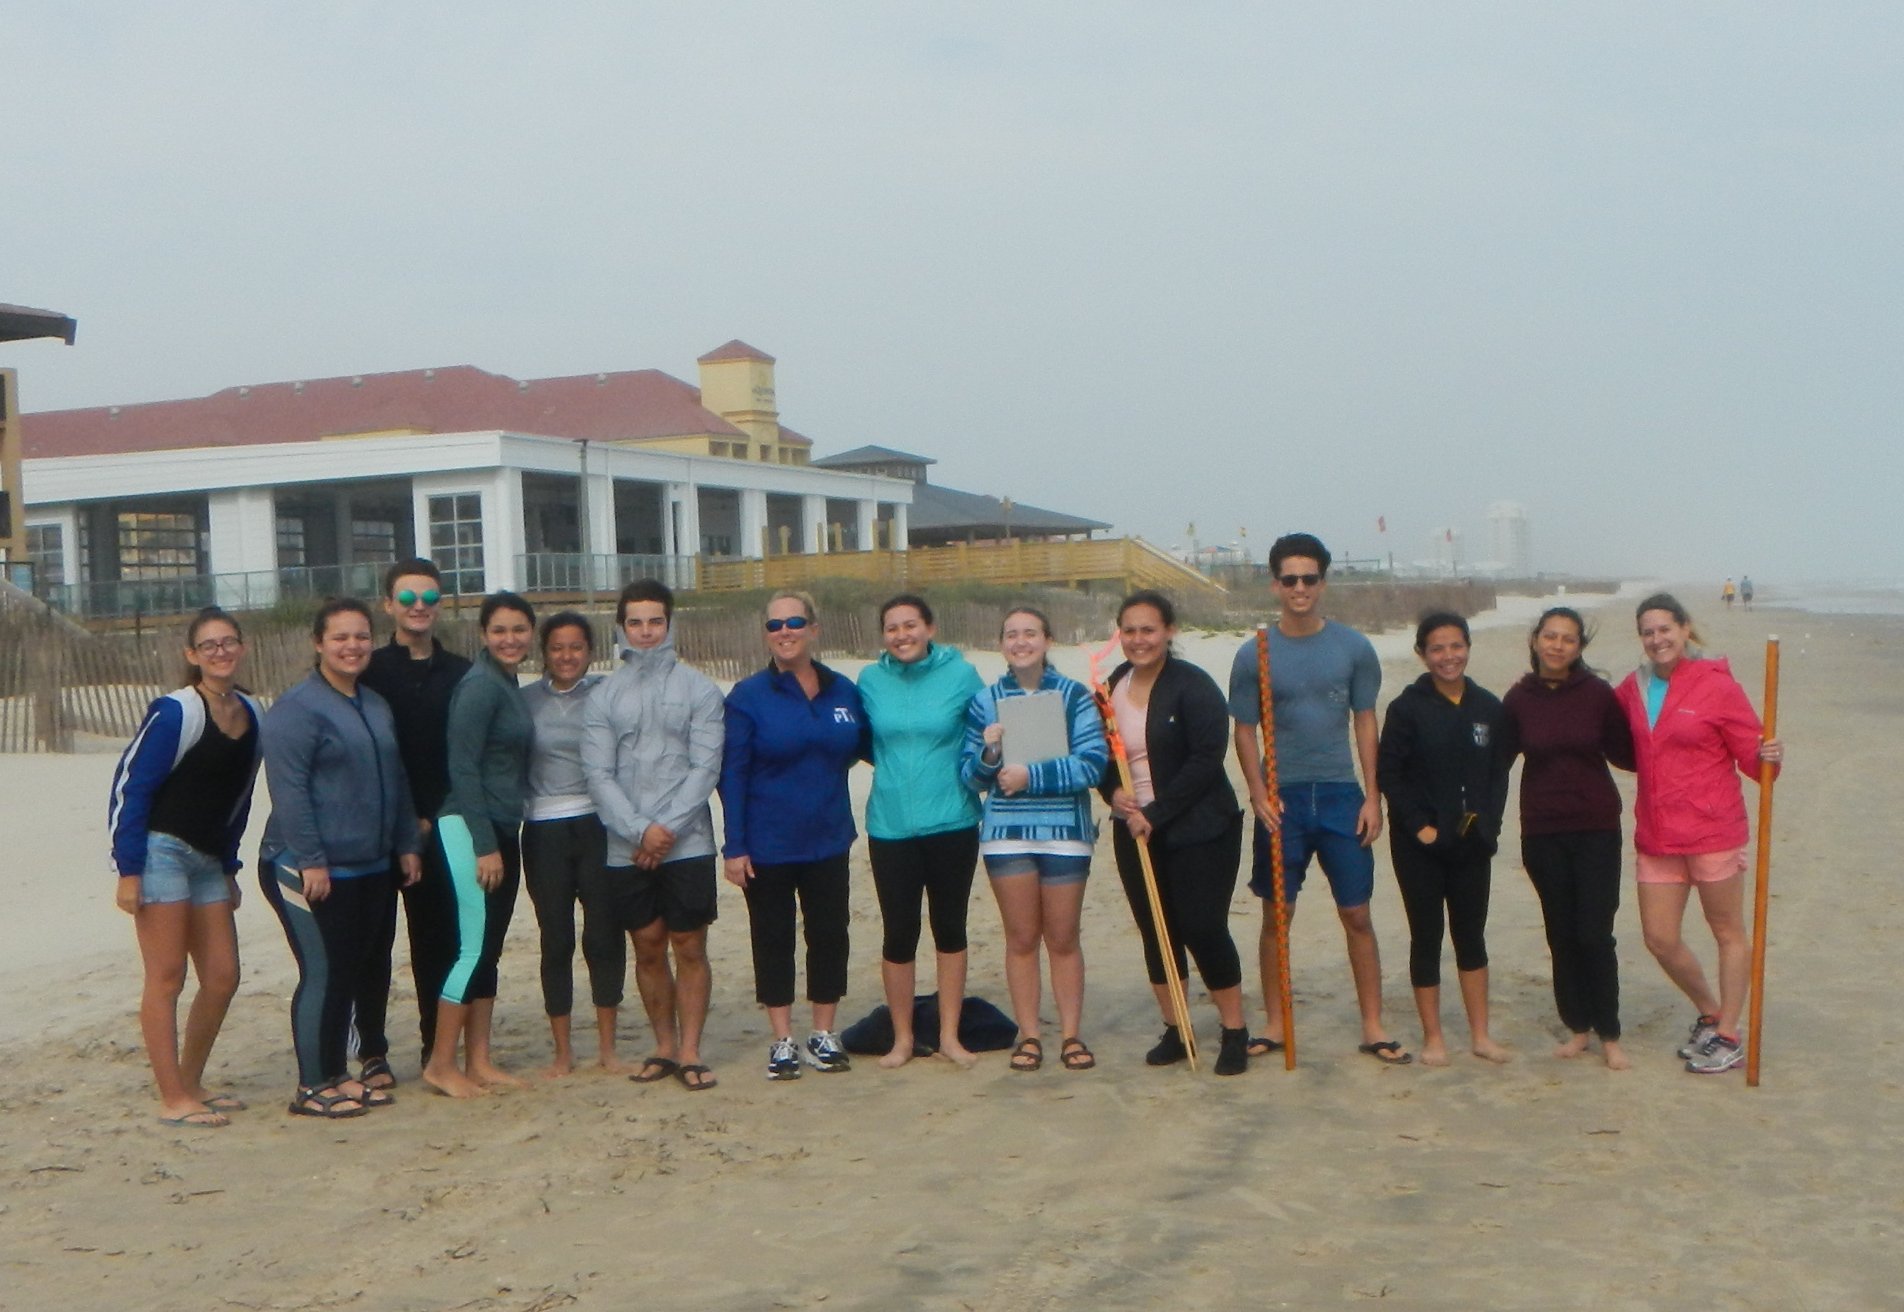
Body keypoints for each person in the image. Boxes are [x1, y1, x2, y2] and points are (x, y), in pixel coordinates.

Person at [1228, 532, 1409, 1064]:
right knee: (1275, 916)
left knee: (1357, 913)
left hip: (1339, 796)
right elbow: (1242, 729)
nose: (1299, 588)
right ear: (1275, 584)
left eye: (1309, 578)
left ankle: (1373, 1025)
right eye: (1290, 579)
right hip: (1282, 799)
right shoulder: (1254, 652)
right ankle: (1276, 1023)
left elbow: (1365, 721)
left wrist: (1373, 797)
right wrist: (1258, 792)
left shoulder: (1354, 648)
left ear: (1323, 583)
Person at [258, 599, 422, 1119]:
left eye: (360, 637)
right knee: (324, 971)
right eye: (340, 638)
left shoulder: (373, 704)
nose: (352, 646)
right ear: (318, 643)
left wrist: (406, 844)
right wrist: (310, 860)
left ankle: (338, 1074)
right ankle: (311, 1085)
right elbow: (290, 791)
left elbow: (393, 779)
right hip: (304, 864)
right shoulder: (297, 709)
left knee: (353, 971)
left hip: (370, 863)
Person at [109, 607, 265, 1127]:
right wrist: (128, 869)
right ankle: (172, 1096)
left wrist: (229, 865)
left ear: (241, 648)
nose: (221, 652)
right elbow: (132, 788)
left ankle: (192, 1080)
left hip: (207, 860)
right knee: (167, 974)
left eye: (229, 642)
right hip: (161, 852)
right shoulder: (176, 711)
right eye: (209, 645)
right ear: (192, 656)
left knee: (222, 976)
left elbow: (238, 799)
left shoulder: (251, 713)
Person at [1614, 593, 1783, 1074]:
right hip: (1658, 833)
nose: (1657, 639)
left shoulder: (1717, 686)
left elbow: (1752, 758)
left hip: (1712, 830)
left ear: (1686, 630)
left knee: (1727, 931)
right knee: (1660, 938)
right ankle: (1711, 1013)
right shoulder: (1633, 687)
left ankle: (1729, 1034)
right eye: (1648, 632)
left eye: (1665, 629)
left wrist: (1767, 756)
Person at [583, 580, 726, 1092]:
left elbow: (705, 766)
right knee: (646, 944)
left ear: (671, 624)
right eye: (636, 622)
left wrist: (665, 831)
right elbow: (598, 774)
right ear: (621, 628)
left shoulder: (701, 691)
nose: (646, 632)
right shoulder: (604, 696)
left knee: (689, 942)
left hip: (687, 839)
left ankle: (690, 1050)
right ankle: (663, 1045)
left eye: (655, 621)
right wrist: (640, 831)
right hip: (626, 841)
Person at [1101, 590, 1252, 1076]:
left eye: (1149, 630)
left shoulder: (1193, 685)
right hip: (1135, 828)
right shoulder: (1111, 686)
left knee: (1202, 927)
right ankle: (1176, 1027)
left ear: (1169, 632)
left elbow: (1207, 758)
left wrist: (1158, 811)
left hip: (1200, 825)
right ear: (1118, 634)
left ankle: (1234, 1030)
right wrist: (1112, 795)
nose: (1139, 640)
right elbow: (1100, 756)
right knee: (1155, 929)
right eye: (1130, 630)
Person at [719, 590, 867, 1081]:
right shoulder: (747, 697)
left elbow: (862, 748)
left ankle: (823, 1033)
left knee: (829, 935)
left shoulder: (843, 690)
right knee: (773, 938)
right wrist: (734, 846)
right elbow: (732, 775)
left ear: (814, 629)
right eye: (775, 625)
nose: (785, 631)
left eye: (795, 622)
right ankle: (782, 1039)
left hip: (828, 837)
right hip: (768, 844)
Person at [960, 607, 1109, 1072]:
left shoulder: (1074, 696)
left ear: (1047, 640)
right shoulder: (985, 701)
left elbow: (1093, 764)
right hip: (1007, 834)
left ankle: (1069, 1034)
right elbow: (971, 777)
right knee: (1021, 937)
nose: (1020, 642)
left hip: (1065, 831)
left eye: (1030, 634)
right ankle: (1028, 1035)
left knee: (1063, 937)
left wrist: (1031, 775)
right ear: (1000, 644)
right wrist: (989, 753)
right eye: (1011, 635)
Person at [1377, 613, 1513, 1066]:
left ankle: (1481, 1035)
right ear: (1422, 653)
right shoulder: (1406, 708)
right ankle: (1434, 1037)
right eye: (1437, 648)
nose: (1448, 656)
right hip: (1420, 844)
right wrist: (1420, 827)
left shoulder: (1488, 708)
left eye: (1456, 646)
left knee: (1471, 935)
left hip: (1473, 842)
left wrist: (1489, 825)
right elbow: (1390, 776)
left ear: (1468, 648)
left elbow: (1498, 774)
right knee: (1427, 935)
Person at [1501, 606, 1635, 1069]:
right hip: (1542, 830)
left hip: (1596, 827)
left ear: (1580, 648)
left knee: (1595, 934)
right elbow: (1494, 760)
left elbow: (1630, 753)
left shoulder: (1597, 694)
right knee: (1561, 934)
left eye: (1569, 639)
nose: (1558, 645)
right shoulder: (1518, 699)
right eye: (1551, 636)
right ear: (1536, 639)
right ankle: (1578, 1026)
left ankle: (1610, 1033)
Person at [856, 594, 985, 1070]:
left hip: (952, 819)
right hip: (889, 824)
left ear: (929, 627)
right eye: (892, 628)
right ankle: (903, 1038)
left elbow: (986, 733)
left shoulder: (962, 675)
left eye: (911, 625)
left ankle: (950, 1036)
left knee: (949, 927)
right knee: (898, 931)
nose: (902, 635)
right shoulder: (870, 680)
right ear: (883, 635)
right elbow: (864, 742)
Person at [358, 558, 470, 1085]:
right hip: (381, 829)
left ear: (440, 603)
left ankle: (436, 1048)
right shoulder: (369, 671)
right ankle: (373, 1052)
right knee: (372, 947)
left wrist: (437, 816)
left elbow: (465, 757)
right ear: (389, 606)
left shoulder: (462, 672)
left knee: (438, 943)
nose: (418, 606)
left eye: (428, 597)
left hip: (443, 828)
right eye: (407, 598)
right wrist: (404, 819)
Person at [425, 590, 536, 1098]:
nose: (510, 639)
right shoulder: (479, 687)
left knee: (488, 950)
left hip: (499, 827)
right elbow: (462, 767)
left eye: (519, 629)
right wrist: (485, 845)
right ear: (483, 635)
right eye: (500, 631)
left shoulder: (507, 681)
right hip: (470, 831)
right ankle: (441, 1063)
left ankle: (480, 1060)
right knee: (471, 949)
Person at [520, 611, 620, 1077]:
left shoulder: (607, 693)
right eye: (557, 647)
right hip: (543, 828)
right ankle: (563, 1051)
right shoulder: (523, 700)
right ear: (544, 652)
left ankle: (608, 1048)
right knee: (555, 938)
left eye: (576, 647)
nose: (566, 656)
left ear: (590, 651)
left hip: (598, 823)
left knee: (602, 935)